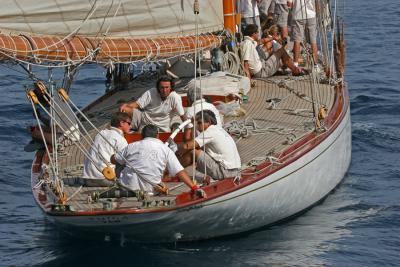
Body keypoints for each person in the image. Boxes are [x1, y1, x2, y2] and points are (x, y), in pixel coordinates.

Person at [111, 124, 204, 196]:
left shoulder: (131, 146)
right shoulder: (165, 150)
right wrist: (194, 188)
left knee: (120, 161)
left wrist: (114, 157)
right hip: (149, 191)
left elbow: (113, 160)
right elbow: (179, 171)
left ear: (142, 136)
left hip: (127, 188)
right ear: (157, 136)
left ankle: (118, 183)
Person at [178, 110, 241, 182]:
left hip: (225, 172)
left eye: (199, 123)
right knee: (197, 151)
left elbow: (187, 146)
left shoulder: (210, 132)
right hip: (236, 172)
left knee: (194, 152)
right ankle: (177, 170)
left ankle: (173, 171)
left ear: (209, 122)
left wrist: (175, 154)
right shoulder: (219, 129)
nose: (197, 126)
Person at [119, 75, 185, 132]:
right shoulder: (151, 92)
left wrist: (190, 128)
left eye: (167, 87)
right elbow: (137, 104)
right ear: (158, 88)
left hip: (162, 127)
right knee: (124, 109)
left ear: (171, 87)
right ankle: (122, 131)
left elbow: (182, 115)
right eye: (162, 87)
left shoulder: (175, 97)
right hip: (145, 121)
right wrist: (126, 105)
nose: (164, 90)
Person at [241, 24, 305, 80]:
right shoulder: (248, 44)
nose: (258, 34)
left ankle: (293, 69)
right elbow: (245, 62)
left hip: (261, 68)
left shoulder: (249, 42)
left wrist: (273, 38)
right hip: (261, 72)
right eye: (257, 32)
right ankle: (295, 70)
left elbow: (261, 41)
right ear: (253, 34)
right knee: (281, 51)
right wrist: (248, 79)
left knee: (279, 53)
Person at [82, 112, 130, 186]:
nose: (130, 126)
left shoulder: (100, 133)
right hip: (106, 178)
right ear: (122, 123)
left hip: (88, 179)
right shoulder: (120, 139)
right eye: (129, 123)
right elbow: (127, 160)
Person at [289, 0, 320, 69]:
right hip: (311, 15)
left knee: (297, 40)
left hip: (298, 15)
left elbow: (289, 4)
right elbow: (317, 4)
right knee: (313, 41)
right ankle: (316, 65)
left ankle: (296, 64)